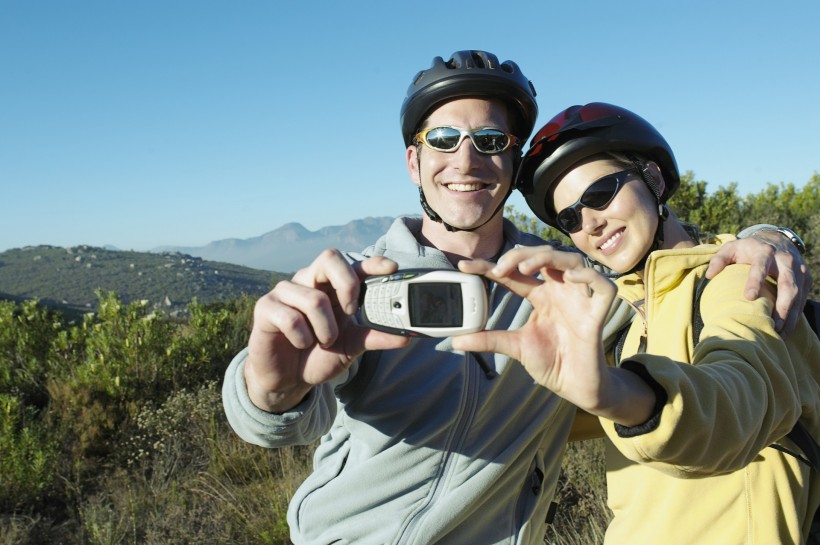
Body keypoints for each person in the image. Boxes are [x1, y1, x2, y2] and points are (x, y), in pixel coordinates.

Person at [222, 52, 811, 545]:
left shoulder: (563, 289)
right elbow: (276, 425)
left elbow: (712, 356)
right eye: (443, 138)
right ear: (414, 160)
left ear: (509, 160)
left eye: (490, 139)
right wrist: (268, 391)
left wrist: (766, 239)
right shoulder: (361, 287)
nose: (466, 158)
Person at [453, 102, 820, 544]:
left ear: (654, 177)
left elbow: (739, 401)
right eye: (569, 218)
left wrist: (616, 394)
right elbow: (536, 425)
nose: (589, 222)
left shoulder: (738, 278)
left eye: (600, 193)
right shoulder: (624, 320)